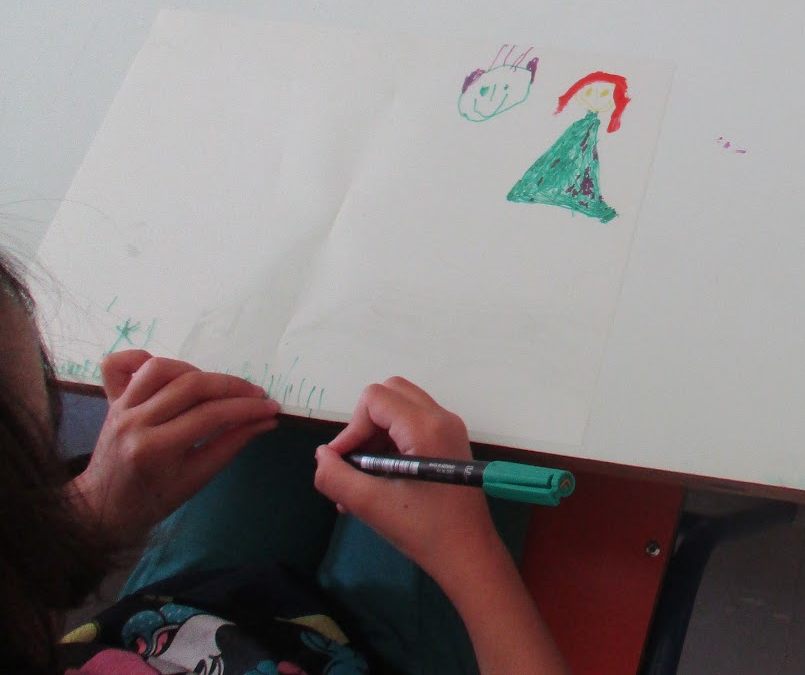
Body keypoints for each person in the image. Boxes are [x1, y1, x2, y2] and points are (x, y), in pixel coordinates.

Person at [0, 249, 570, 674]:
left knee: (261, 381)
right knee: (458, 391)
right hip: (384, 660)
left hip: (173, 618)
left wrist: (87, 517)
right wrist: (472, 558)